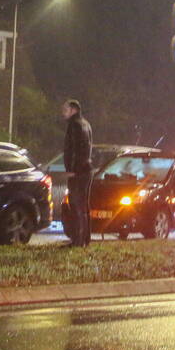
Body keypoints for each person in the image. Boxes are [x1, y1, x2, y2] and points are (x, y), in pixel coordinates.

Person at [62, 98, 93, 246]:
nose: (63, 113)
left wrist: (71, 169)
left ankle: (77, 240)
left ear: (73, 110)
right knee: (84, 206)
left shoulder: (73, 125)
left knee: (75, 205)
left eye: (66, 110)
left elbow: (73, 149)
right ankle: (85, 238)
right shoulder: (86, 124)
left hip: (77, 171)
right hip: (87, 169)